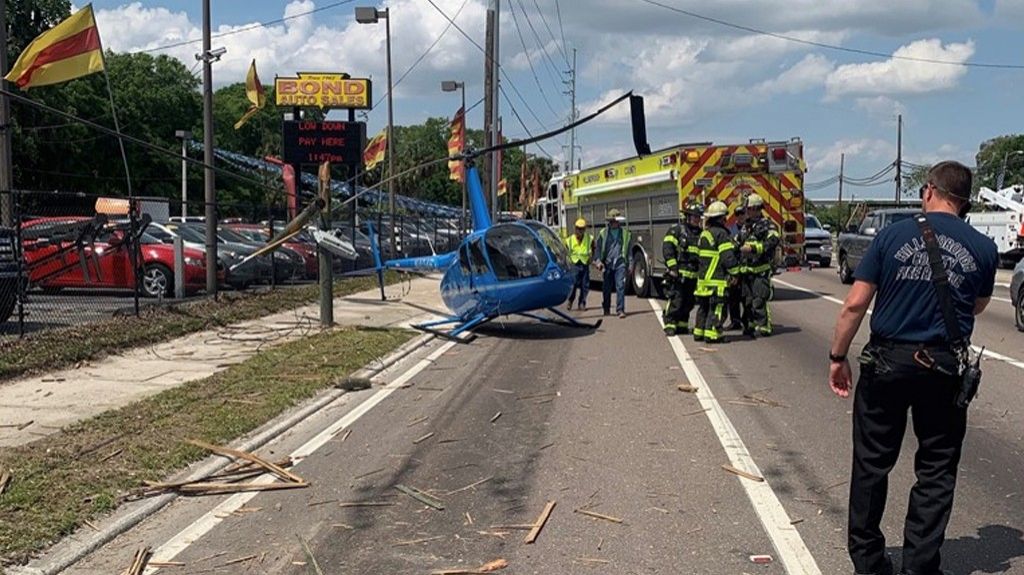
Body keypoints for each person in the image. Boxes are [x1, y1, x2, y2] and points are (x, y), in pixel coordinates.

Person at [828, 161, 998, 575]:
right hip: (943, 367)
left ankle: (868, 562)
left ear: (928, 191)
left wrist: (837, 357)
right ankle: (920, 566)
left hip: (888, 362)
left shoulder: (891, 236)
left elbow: (854, 304)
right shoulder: (984, 247)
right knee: (937, 469)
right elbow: (976, 306)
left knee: (872, 464)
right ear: (966, 202)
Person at [694, 201, 740, 343]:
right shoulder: (722, 235)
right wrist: (735, 272)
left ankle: (699, 332)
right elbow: (727, 257)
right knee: (717, 308)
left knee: (703, 307)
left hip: (703, 280)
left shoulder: (704, 234)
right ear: (721, 218)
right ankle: (713, 334)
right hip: (717, 280)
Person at [739, 194, 780, 337]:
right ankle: (749, 325)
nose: (747, 212)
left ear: (756, 209)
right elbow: (738, 241)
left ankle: (764, 326)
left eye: (749, 209)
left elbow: (774, 240)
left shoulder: (767, 225)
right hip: (746, 270)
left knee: (759, 299)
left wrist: (754, 249)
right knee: (747, 301)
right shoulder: (746, 226)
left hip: (760, 270)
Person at [661, 202, 703, 335]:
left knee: (689, 302)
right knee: (676, 300)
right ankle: (670, 323)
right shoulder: (677, 230)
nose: (697, 219)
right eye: (695, 216)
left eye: (698, 217)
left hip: (693, 275)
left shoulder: (701, 234)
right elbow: (667, 248)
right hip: (678, 274)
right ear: (688, 217)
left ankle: (682, 325)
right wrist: (673, 267)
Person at [595, 208, 631, 318]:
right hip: (607, 264)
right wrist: (598, 261)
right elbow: (598, 249)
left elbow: (628, 250)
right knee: (607, 287)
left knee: (620, 286)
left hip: (620, 263)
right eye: (613, 221)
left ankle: (620, 310)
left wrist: (631, 263)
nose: (615, 223)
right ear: (610, 222)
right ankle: (606, 307)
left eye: (616, 221)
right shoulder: (603, 233)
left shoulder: (625, 234)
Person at [726, 203, 748, 330]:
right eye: (738, 214)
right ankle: (735, 321)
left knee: (746, 298)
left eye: (742, 214)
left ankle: (747, 321)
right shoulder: (730, 230)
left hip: (748, 267)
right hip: (735, 266)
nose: (740, 217)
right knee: (733, 296)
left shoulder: (750, 229)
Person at [565, 218, 593, 311]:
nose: (580, 231)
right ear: (575, 229)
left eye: (582, 229)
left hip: (585, 264)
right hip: (575, 264)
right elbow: (565, 252)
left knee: (585, 285)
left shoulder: (589, 239)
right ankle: (570, 301)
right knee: (573, 285)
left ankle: (582, 303)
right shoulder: (569, 240)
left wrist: (591, 258)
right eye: (578, 229)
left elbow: (594, 248)